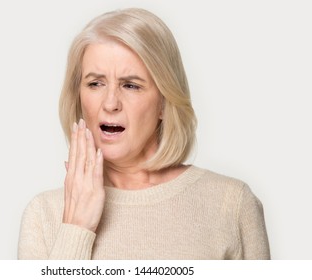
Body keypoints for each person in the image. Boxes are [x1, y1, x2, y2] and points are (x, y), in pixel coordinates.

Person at [18, 8, 270, 260]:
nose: (110, 103)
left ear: (164, 101)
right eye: (95, 83)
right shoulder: (44, 214)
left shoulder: (232, 204)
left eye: (130, 85)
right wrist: (76, 229)